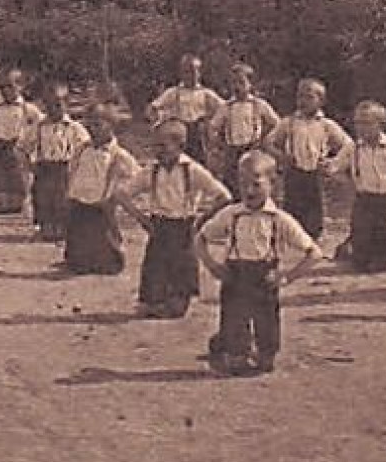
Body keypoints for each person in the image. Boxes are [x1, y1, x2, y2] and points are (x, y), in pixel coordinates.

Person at [195, 152, 322, 377]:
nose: (249, 191)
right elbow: (200, 238)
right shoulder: (231, 214)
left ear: (273, 184)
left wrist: (286, 277)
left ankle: (264, 351)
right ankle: (233, 349)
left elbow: (313, 253)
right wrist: (212, 265)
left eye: (256, 184)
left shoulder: (279, 219)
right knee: (234, 318)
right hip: (236, 275)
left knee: (267, 328)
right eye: (243, 184)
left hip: (264, 277)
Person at [117, 120, 232, 319]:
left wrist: (204, 218)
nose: (158, 151)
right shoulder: (151, 171)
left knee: (182, 267)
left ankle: (178, 300)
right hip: (159, 225)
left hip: (183, 226)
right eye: (155, 146)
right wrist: (141, 218)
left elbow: (223, 196)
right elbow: (122, 194)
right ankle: (154, 299)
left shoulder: (192, 170)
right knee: (156, 264)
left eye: (163, 146)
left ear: (180, 146)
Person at [325, 101, 386, 273]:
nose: (361, 128)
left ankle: (383, 260)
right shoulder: (353, 149)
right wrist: (349, 183)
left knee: (385, 230)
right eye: (358, 123)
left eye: (366, 123)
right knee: (361, 228)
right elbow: (334, 168)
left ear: (380, 124)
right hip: (363, 197)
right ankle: (360, 257)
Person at [264, 78, 352, 241]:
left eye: (309, 97)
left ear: (321, 101)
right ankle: (291, 240)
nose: (303, 101)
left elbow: (348, 145)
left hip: (315, 173)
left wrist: (332, 163)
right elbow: (269, 142)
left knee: (314, 209)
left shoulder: (326, 125)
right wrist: (281, 156)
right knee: (292, 207)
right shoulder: (289, 122)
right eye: (300, 97)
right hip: (294, 172)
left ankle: (312, 241)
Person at [62, 105, 140, 275]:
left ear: (111, 126)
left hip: (101, 207)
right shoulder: (82, 150)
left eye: (98, 125)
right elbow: (72, 171)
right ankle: (79, 257)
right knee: (78, 258)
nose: (92, 130)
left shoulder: (118, 155)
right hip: (80, 204)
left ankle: (109, 255)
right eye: (89, 126)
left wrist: (118, 195)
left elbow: (136, 179)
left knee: (106, 258)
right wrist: (70, 194)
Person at [27, 82, 89, 242]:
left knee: (63, 199)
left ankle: (63, 228)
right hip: (45, 167)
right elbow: (21, 147)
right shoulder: (39, 126)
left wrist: (78, 167)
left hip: (66, 167)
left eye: (58, 105)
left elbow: (85, 148)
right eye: (49, 105)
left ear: (66, 105)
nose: (53, 109)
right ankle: (46, 227)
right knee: (43, 198)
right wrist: (30, 165)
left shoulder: (74, 128)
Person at [208, 63, 281, 193]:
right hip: (233, 151)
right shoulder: (226, 106)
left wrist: (265, 139)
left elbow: (276, 123)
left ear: (250, 84)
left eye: (241, 82)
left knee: (254, 179)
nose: (237, 87)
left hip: (253, 148)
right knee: (232, 183)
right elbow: (213, 126)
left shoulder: (258, 104)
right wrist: (219, 143)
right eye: (233, 83)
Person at [147, 53, 225, 161]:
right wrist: (158, 123)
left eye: (195, 71)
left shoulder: (205, 93)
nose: (191, 76)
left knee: (200, 160)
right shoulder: (174, 92)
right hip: (179, 132)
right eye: (187, 72)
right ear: (181, 74)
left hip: (198, 132)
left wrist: (215, 124)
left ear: (199, 73)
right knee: (178, 159)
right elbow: (154, 107)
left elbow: (224, 107)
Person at [0, 68, 42, 215]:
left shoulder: (28, 109)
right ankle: (2, 201)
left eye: (10, 86)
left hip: (17, 146)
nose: (5, 91)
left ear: (20, 86)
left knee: (19, 176)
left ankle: (19, 202)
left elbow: (40, 126)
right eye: (2, 87)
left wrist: (31, 145)